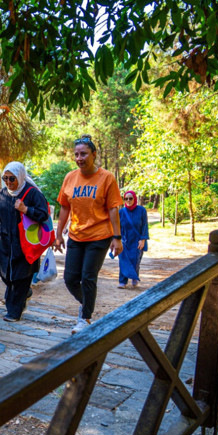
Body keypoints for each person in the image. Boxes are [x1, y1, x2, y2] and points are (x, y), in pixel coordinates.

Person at [54, 135, 124, 334]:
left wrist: (117, 238)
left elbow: (113, 209)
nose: (79, 158)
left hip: (100, 235)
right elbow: (64, 208)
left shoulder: (106, 178)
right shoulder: (70, 177)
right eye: (76, 154)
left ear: (94, 154)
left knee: (88, 277)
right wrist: (58, 235)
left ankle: (85, 317)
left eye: (83, 154)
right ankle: (87, 305)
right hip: (76, 235)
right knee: (70, 279)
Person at [0, 162, 49, 321]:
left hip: (25, 244)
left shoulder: (32, 193)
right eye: (5, 178)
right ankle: (25, 293)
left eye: (12, 178)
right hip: (6, 243)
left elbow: (43, 214)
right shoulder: (2, 194)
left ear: (20, 176)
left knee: (21, 277)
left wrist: (26, 209)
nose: (8, 182)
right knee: (6, 276)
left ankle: (14, 312)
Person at [118, 190, 148, 289]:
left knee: (135, 260)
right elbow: (118, 227)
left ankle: (134, 276)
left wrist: (143, 239)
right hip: (125, 240)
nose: (128, 200)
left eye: (130, 198)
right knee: (123, 260)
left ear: (134, 199)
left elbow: (144, 226)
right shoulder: (121, 212)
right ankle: (122, 281)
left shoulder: (141, 210)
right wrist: (118, 239)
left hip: (137, 240)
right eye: (126, 198)